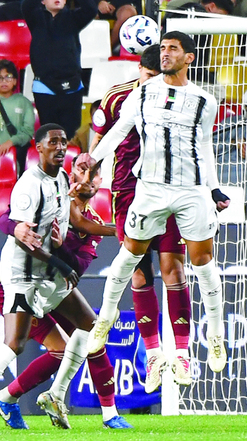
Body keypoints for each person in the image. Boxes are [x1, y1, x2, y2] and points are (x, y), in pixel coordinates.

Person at [86, 32, 230, 378]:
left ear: (189, 57)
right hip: (149, 189)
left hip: (191, 190)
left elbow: (205, 147)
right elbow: (119, 130)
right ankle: (104, 319)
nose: (165, 54)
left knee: (201, 262)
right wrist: (93, 159)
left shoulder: (204, 101)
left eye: (172, 49)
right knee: (130, 257)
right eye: (162, 48)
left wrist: (213, 189)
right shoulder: (141, 93)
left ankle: (215, 334)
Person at [0, 124, 105, 431]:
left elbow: (74, 222)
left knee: (90, 325)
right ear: (39, 147)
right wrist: (62, 263)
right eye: (53, 142)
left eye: (63, 141)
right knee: (14, 344)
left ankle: (55, 395)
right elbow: (23, 236)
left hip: (47, 275)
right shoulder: (29, 184)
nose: (60, 146)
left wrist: (120, 232)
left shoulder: (61, 179)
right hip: (22, 275)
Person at [0, 154, 133, 430]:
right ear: (71, 173)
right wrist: (18, 229)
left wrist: (60, 246)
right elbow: (4, 219)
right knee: (33, 347)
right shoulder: (50, 197)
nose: (87, 178)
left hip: (53, 289)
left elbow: (78, 267)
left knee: (93, 334)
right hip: (19, 284)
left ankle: (108, 413)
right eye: (82, 170)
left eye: (94, 174)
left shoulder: (94, 222)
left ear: (101, 181)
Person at [87, 44, 195, 393]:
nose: (153, 83)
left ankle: (182, 354)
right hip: (128, 192)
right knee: (138, 270)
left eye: (158, 77)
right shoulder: (117, 98)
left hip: (169, 189)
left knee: (173, 268)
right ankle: (153, 356)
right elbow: (101, 138)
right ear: (139, 70)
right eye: (148, 76)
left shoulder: (178, 97)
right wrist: (91, 171)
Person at [23, 0, 96, 141]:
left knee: (70, 137)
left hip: (72, 86)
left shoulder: (74, 18)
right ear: (43, 0)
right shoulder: (35, 18)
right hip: (44, 86)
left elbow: (91, 8)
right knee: (50, 137)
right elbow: (26, 4)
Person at [0, 58, 36, 173]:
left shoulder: (24, 102)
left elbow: (28, 132)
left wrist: (11, 142)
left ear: (15, 81)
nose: (4, 81)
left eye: (8, 77)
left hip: (17, 153)